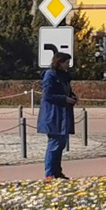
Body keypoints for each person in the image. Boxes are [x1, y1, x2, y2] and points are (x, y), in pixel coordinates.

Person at [37, 51, 76, 180]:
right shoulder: (50, 75)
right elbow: (48, 95)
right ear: (59, 62)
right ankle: (49, 174)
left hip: (63, 115)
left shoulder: (64, 76)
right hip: (53, 115)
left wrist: (72, 97)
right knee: (54, 144)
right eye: (66, 62)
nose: (68, 65)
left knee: (61, 144)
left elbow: (67, 91)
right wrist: (64, 99)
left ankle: (57, 172)